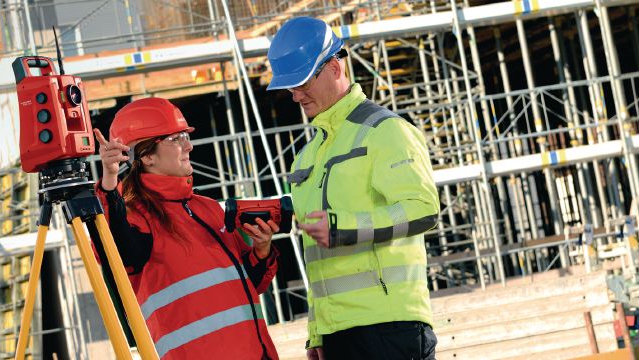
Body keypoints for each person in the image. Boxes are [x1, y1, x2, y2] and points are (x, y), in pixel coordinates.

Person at [266, 17, 441, 360]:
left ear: (333, 68)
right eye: (290, 87)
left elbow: (423, 209)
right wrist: (316, 332)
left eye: (302, 82)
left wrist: (342, 227)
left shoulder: (384, 131)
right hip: (337, 335)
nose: (295, 95)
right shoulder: (308, 156)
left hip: (391, 327)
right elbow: (319, 260)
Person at [92, 97, 281, 360]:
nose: (189, 146)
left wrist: (261, 251)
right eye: (176, 139)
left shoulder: (208, 209)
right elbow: (116, 249)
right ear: (146, 155)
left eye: (186, 136)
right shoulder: (136, 218)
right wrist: (110, 185)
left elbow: (249, 286)